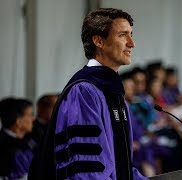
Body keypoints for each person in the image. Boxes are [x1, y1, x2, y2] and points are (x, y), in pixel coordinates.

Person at [29, 8, 147, 180]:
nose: (132, 43)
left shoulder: (114, 92)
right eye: (122, 35)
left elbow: (121, 167)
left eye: (131, 34)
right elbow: (86, 169)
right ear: (98, 40)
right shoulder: (84, 91)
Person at [0, 98, 35, 179]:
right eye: (30, 115)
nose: (33, 119)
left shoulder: (28, 140)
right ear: (19, 121)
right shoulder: (7, 148)